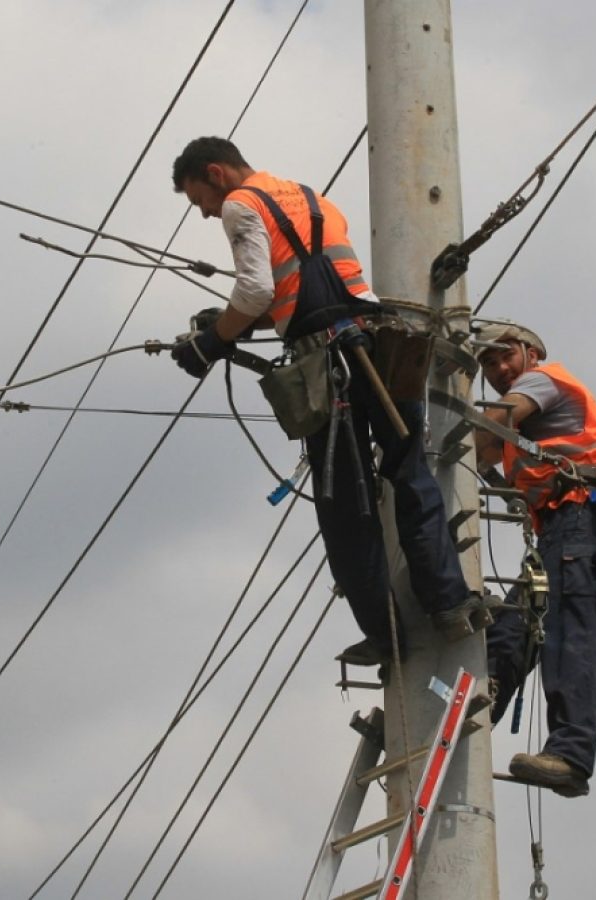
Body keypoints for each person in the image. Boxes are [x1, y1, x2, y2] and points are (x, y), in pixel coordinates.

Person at [169, 136, 489, 667]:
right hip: (380, 346)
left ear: (216, 173)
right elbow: (305, 285)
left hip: (329, 366)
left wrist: (211, 343)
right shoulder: (311, 198)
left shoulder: (239, 205)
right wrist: (231, 326)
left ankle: (386, 635)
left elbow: (255, 291)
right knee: (411, 473)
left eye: (198, 198)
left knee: (345, 505)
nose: (203, 212)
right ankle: (451, 604)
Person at [474, 321, 596, 798]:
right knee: (512, 628)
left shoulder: (542, 381)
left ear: (531, 353)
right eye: (488, 363)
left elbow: (481, 437)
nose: (499, 368)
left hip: (582, 517)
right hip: (559, 529)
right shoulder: (519, 419)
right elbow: (479, 457)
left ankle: (571, 755)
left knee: (570, 632)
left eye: (506, 355)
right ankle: (473, 715)